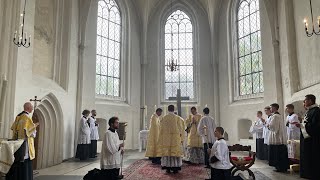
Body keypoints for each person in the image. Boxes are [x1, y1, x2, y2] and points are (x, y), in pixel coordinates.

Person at [8, 102, 39, 180]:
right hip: (26, 144)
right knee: (26, 162)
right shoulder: (27, 117)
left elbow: (14, 129)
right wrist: (35, 126)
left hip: (18, 143)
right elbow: (29, 132)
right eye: (31, 108)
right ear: (28, 108)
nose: (32, 109)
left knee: (18, 161)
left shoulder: (18, 117)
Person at [157, 105, 183, 173]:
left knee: (167, 153)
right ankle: (175, 168)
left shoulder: (164, 118)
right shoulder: (177, 118)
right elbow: (180, 128)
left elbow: (160, 128)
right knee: (174, 153)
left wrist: (161, 137)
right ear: (173, 109)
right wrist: (181, 136)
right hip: (175, 138)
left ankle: (167, 168)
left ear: (168, 109)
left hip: (166, 138)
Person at [299, 94, 320, 179]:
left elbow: (316, 126)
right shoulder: (309, 111)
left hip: (313, 139)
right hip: (306, 139)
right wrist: (301, 124)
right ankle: (306, 173)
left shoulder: (316, 111)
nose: (304, 102)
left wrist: (303, 125)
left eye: (305, 100)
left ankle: (312, 174)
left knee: (312, 156)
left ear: (310, 101)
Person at [268, 103, 289, 172]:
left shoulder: (275, 116)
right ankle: (280, 167)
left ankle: (280, 167)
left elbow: (273, 126)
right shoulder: (277, 115)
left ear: (274, 108)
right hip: (278, 136)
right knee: (279, 152)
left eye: (271, 108)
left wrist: (268, 125)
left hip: (276, 137)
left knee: (277, 152)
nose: (270, 109)